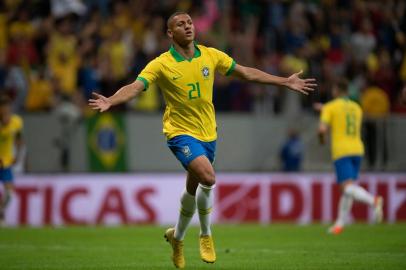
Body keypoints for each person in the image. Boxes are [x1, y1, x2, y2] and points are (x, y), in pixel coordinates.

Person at [89, 12, 316, 268]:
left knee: (192, 188)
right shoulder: (161, 64)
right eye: (180, 24)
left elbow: (246, 72)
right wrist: (110, 100)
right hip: (179, 133)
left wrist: (284, 81)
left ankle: (177, 237)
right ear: (169, 33)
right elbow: (135, 87)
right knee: (208, 177)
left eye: (189, 23)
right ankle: (206, 234)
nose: (187, 27)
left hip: (208, 134)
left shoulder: (210, 55)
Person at [316, 79, 383, 235]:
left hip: (342, 150)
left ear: (336, 90)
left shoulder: (331, 106)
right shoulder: (357, 107)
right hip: (357, 149)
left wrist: (321, 140)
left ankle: (373, 201)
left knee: (346, 188)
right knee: (348, 189)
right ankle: (339, 224)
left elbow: (321, 130)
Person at [0, 95, 24, 225]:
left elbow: (19, 140)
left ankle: (1, 213)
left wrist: (18, 156)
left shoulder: (16, 121)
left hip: (6, 162)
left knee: (9, 193)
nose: (5, 110)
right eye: (3, 107)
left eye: (7, 107)